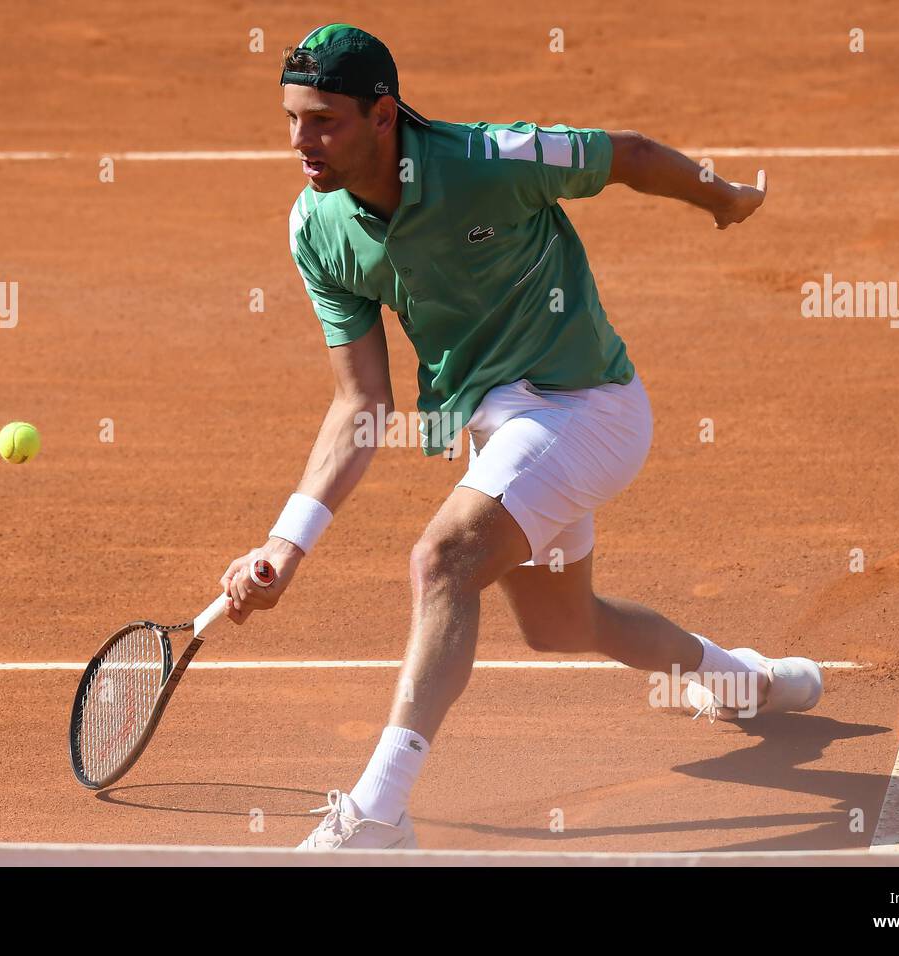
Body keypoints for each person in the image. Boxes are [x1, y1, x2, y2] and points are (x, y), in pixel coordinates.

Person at [218, 23, 822, 850]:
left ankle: (376, 816)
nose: (301, 140)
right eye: (291, 118)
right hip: (501, 431)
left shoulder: (490, 162)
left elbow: (631, 154)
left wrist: (724, 198)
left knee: (445, 558)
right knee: (565, 626)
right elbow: (361, 401)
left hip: (588, 410)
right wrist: (288, 543)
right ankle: (742, 680)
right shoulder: (316, 230)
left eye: (323, 120)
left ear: (383, 114)